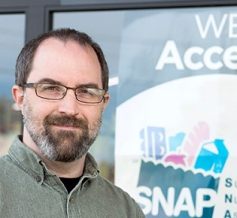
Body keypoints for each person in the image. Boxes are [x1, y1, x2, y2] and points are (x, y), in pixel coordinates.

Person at [0, 28, 145, 218]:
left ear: (103, 103)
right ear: (20, 98)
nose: (70, 108)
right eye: (51, 88)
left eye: (86, 91)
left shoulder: (125, 210)